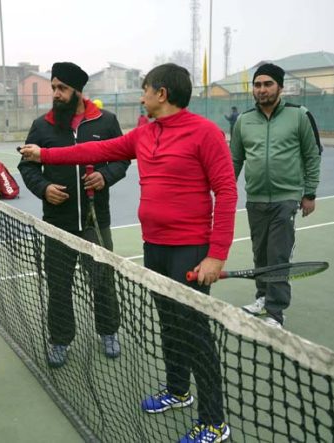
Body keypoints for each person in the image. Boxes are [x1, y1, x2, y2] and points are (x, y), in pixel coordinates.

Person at [20, 63, 236, 443]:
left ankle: (215, 421)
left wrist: (216, 255)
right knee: (168, 322)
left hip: (191, 248)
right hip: (154, 246)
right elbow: (97, 149)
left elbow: (227, 192)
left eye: (146, 89)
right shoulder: (144, 133)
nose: (142, 96)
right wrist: (44, 156)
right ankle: (177, 390)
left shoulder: (206, 134)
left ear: (162, 94)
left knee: (195, 332)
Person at [17, 62, 129, 368]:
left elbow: (122, 160)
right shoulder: (42, 126)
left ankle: (108, 332)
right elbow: (27, 166)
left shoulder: (106, 122)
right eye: (53, 87)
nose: (55, 93)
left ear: (78, 91)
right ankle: (60, 339)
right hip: (58, 223)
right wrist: (44, 187)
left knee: (103, 281)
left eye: (61, 88)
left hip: (96, 221)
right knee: (59, 284)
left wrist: (106, 176)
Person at [230, 63, 321, 328]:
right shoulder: (243, 121)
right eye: (257, 85)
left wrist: (310, 193)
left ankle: (275, 312)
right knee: (260, 253)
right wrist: (224, 191)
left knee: (278, 255)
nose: (262, 89)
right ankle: (262, 296)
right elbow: (234, 160)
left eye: (268, 84)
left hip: (286, 198)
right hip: (255, 198)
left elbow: (311, 155)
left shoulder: (299, 116)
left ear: (280, 87)